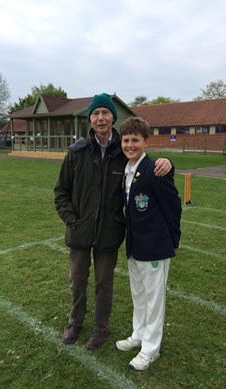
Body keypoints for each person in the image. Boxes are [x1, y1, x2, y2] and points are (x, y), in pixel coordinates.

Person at [54, 93, 172, 350]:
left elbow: (146, 165)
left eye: (105, 113)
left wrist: (168, 162)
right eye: (96, 114)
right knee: (77, 281)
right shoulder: (77, 152)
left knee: (103, 284)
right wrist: (71, 219)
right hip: (79, 232)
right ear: (90, 119)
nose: (100, 118)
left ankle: (100, 328)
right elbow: (61, 191)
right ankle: (75, 323)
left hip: (109, 232)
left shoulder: (123, 151)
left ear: (113, 117)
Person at [115, 116, 181, 370]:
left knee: (154, 300)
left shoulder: (156, 169)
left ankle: (150, 349)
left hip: (154, 246)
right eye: (126, 140)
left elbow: (173, 207)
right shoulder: (127, 169)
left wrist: (174, 239)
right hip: (134, 246)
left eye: (135, 140)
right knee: (139, 295)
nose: (130, 145)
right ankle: (139, 335)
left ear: (146, 142)